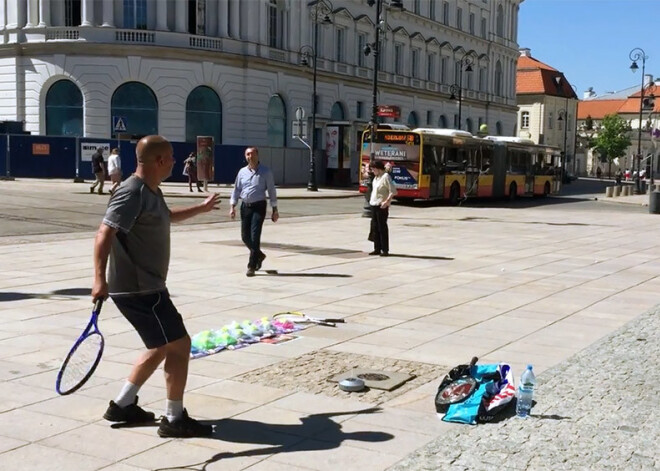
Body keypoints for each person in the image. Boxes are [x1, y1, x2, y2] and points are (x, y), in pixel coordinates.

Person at [92, 135, 220, 438]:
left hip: (146, 286)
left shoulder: (151, 191)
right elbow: (104, 232)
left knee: (160, 344)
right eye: (172, 157)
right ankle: (174, 419)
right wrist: (99, 279)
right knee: (180, 344)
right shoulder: (132, 192)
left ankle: (122, 405)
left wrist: (199, 209)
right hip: (141, 289)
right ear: (159, 161)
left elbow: (165, 217)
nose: (176, 161)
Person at [229, 147, 278, 277]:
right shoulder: (242, 172)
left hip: (259, 206)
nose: (250, 156)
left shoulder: (266, 172)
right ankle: (259, 255)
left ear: (257, 155)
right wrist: (232, 206)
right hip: (245, 206)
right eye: (247, 154)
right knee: (245, 237)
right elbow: (236, 189)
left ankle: (251, 265)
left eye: (252, 154)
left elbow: (272, 191)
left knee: (255, 235)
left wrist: (275, 209)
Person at [368, 160, 397, 256]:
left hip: (381, 205)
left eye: (373, 169)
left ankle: (385, 249)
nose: (372, 171)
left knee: (382, 227)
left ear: (378, 168)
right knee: (375, 227)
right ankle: (377, 248)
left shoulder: (385, 177)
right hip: (374, 204)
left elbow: (393, 191)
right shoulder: (376, 178)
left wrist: (387, 201)